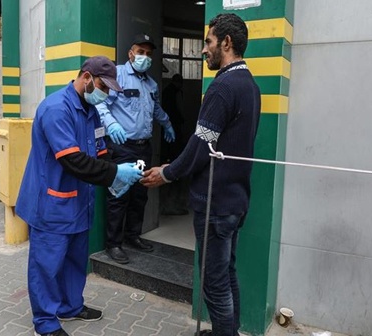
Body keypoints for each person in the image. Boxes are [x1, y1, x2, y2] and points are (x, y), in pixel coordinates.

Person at [141, 13, 260, 336]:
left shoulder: (223, 87)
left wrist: (167, 173)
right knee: (227, 273)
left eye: (208, 42)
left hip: (216, 204)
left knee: (215, 284)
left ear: (227, 42)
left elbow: (199, 148)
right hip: (234, 202)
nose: (203, 49)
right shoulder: (249, 84)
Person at [15, 56, 144, 336]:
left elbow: (98, 152)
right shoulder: (55, 109)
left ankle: (71, 306)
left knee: (75, 261)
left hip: (78, 202)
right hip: (52, 203)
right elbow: (72, 160)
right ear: (86, 78)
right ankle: (46, 322)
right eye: (102, 86)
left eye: (110, 89)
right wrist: (113, 174)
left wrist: (121, 168)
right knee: (47, 266)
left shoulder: (91, 110)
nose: (106, 94)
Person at [96, 33, 176, 264]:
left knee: (140, 195)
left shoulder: (151, 83)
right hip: (122, 147)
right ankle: (113, 244)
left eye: (149, 54)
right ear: (131, 53)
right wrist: (111, 124)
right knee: (119, 195)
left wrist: (167, 123)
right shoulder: (117, 75)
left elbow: (156, 109)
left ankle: (133, 236)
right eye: (140, 52)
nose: (145, 57)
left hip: (143, 148)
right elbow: (101, 103)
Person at [160, 73, 189, 215]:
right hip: (173, 130)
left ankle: (167, 205)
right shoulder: (174, 92)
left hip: (168, 130)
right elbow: (179, 111)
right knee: (174, 161)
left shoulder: (166, 91)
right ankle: (170, 205)